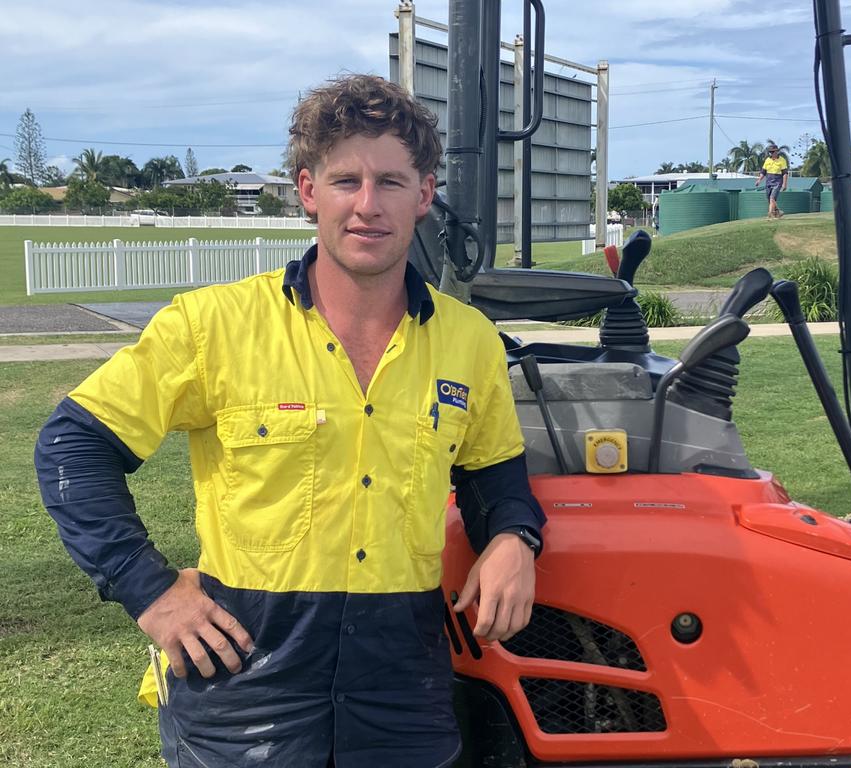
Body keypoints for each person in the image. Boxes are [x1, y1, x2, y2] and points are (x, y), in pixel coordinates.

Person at [35, 74, 546, 768]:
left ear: (425, 195)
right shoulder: (214, 325)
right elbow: (74, 443)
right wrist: (147, 589)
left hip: (402, 690)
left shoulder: (468, 342)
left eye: (392, 182)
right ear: (308, 191)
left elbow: (492, 470)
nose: (368, 206)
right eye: (346, 181)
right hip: (244, 688)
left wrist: (515, 535)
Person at [753, 142, 788, 219]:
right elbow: (763, 172)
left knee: (772, 198)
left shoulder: (782, 160)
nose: (771, 153)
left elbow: (785, 173)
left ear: (777, 151)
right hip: (768, 181)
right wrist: (759, 180)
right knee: (770, 200)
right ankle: (778, 212)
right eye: (770, 152)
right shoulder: (767, 160)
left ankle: (770, 215)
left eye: (773, 152)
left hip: (778, 181)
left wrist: (784, 184)